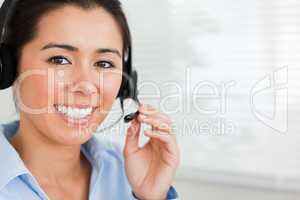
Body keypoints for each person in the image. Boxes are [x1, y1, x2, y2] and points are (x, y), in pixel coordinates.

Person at [0, 0, 180, 199]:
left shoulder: (128, 172)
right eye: (59, 60)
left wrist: (151, 197)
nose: (85, 86)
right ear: (8, 66)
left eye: (104, 63)